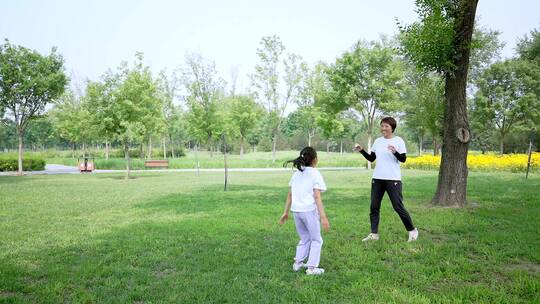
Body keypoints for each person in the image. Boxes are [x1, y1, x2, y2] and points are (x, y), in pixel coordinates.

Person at [353, 117, 419, 242]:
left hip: (393, 179)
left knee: (398, 206)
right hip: (377, 178)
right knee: (374, 207)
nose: (383, 128)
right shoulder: (378, 141)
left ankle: (412, 230)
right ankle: (374, 234)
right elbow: (371, 158)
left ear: (392, 128)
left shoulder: (398, 141)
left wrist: (394, 152)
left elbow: (403, 159)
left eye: (386, 126)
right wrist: (361, 150)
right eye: (382, 126)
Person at [279, 147, 329, 275]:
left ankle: (298, 263)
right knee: (316, 240)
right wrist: (323, 217)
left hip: (296, 211)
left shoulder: (296, 174)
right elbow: (317, 196)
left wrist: (285, 212)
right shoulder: (315, 173)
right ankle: (312, 268)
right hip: (309, 211)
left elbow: (290, 195)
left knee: (304, 238)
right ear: (315, 160)